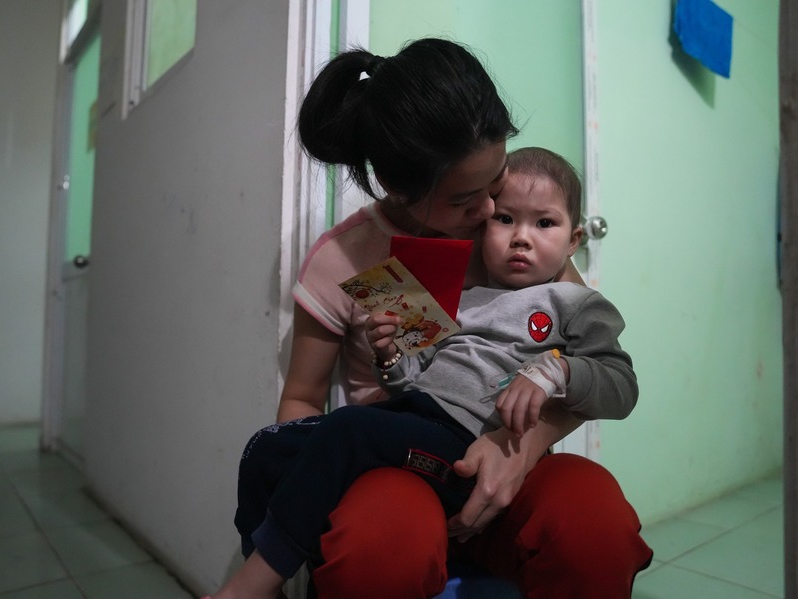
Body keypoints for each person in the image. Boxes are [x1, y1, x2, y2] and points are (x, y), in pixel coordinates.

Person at [209, 38, 652, 599]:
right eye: (466, 199)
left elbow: (590, 367)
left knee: (594, 523)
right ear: (400, 188)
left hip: (510, 455)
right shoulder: (346, 258)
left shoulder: (522, 242)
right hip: (394, 467)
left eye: (496, 181)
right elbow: (303, 399)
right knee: (379, 546)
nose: (491, 212)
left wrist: (521, 447)